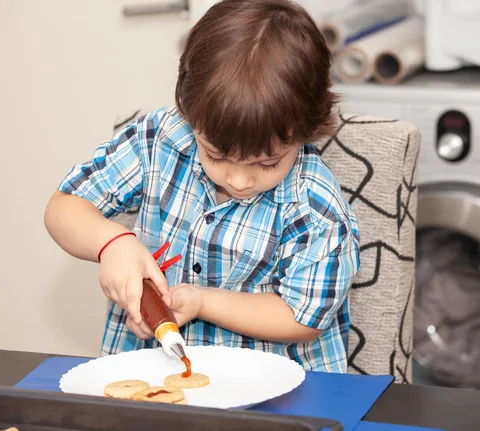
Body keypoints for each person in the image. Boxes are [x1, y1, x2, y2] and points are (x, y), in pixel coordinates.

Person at [44, 0, 360, 372]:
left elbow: (301, 318)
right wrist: (111, 243)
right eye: (215, 155)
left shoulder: (316, 208)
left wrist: (201, 302)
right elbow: (63, 208)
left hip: (269, 394)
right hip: (151, 376)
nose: (240, 180)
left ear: (308, 129)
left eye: (268, 162)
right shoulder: (159, 140)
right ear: (189, 113)